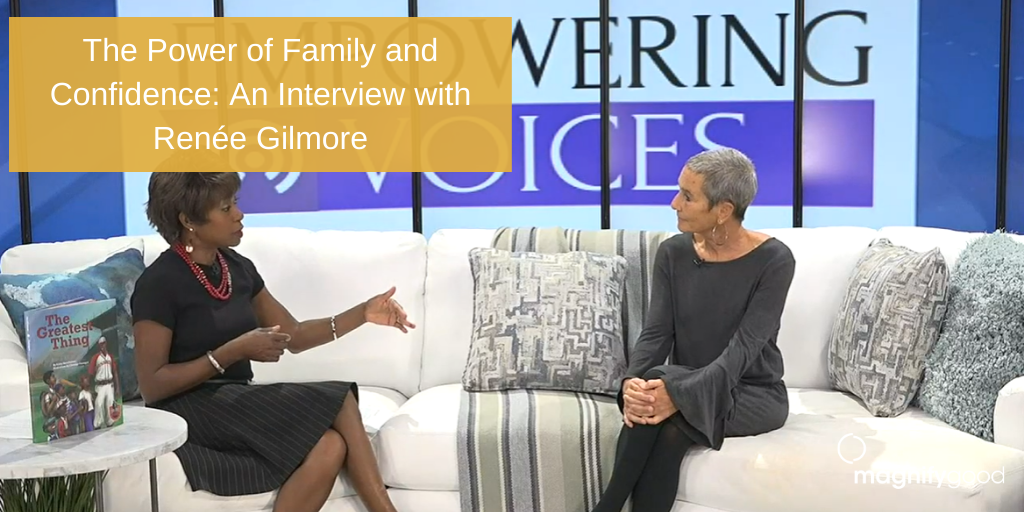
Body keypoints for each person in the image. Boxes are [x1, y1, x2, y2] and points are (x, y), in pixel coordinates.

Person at [130, 152, 415, 512]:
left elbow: (293, 335)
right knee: (339, 398)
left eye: (235, 202)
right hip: (188, 411)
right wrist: (232, 352)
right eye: (225, 208)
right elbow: (152, 386)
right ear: (188, 220)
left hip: (234, 403)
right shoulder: (159, 283)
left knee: (330, 446)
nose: (239, 214)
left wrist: (362, 313)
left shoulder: (237, 267)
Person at [591, 147, 796, 512]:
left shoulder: (774, 260)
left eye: (688, 196)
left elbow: (743, 350)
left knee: (667, 416)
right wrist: (632, 382)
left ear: (723, 210)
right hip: (683, 381)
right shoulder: (673, 253)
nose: (674, 203)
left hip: (749, 392)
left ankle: (606, 507)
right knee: (656, 397)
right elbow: (656, 333)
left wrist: (679, 393)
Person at [87, 336, 119, 429]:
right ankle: (98, 425)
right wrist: (88, 387)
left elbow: (115, 372)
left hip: (109, 384)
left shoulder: (110, 357)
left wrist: (117, 387)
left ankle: (110, 423)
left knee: (110, 403)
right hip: (100, 385)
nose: (102, 346)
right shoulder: (96, 357)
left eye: (104, 343)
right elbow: (90, 373)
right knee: (99, 404)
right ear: (98, 346)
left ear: (106, 344)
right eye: (101, 344)